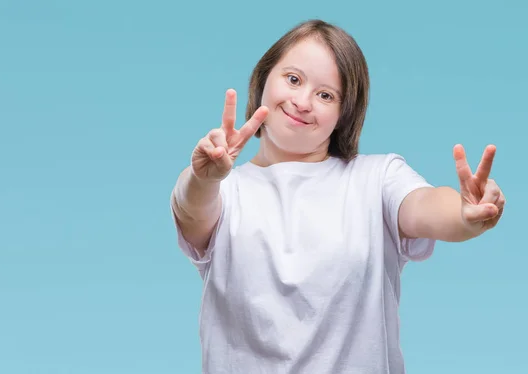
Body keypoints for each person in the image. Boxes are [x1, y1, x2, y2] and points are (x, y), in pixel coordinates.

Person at [169, 19, 505, 374]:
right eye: (294, 79)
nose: (302, 102)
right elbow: (191, 210)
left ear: (344, 113)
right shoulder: (226, 191)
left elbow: (426, 207)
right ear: (264, 78)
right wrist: (204, 178)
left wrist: (466, 214)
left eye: (325, 95)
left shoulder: (376, 179)